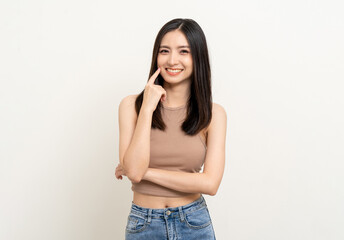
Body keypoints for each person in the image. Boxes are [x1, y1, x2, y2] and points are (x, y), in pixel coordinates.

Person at [115, 18, 227, 240]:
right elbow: (134, 170)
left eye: (183, 51)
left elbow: (210, 183)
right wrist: (147, 107)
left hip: (193, 222)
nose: (172, 60)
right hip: (144, 224)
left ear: (197, 58)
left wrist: (145, 173)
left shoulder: (214, 114)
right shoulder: (131, 106)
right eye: (164, 51)